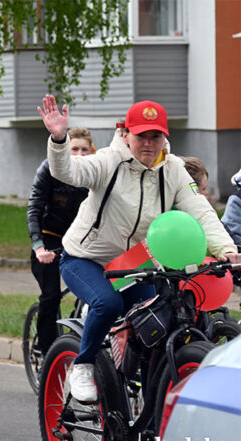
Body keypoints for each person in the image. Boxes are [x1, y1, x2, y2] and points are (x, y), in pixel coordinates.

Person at [37, 95, 239, 403]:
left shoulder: (172, 170)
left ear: (164, 138)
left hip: (133, 264)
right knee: (107, 304)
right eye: (141, 135)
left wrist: (226, 248)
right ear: (125, 133)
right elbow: (69, 172)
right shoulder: (108, 160)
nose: (148, 142)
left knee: (154, 329)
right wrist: (59, 139)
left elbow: (200, 211)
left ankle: (148, 418)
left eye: (155, 135)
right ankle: (83, 365)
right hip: (84, 258)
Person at [26, 128, 92, 354]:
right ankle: (47, 354)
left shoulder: (94, 171)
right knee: (51, 295)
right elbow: (34, 207)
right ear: (65, 150)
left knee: (92, 293)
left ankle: (77, 338)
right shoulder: (49, 168)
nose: (80, 154)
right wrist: (38, 246)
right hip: (48, 238)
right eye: (74, 149)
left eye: (84, 149)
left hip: (79, 240)